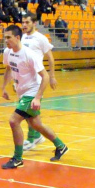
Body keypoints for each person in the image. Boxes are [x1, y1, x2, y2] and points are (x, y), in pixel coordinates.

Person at [0, 25, 68, 169]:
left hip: (32, 92)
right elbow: (8, 69)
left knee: (13, 121)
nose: (5, 40)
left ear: (17, 38)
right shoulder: (7, 52)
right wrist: (4, 87)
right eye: (5, 37)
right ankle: (60, 146)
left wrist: (37, 98)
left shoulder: (30, 54)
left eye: (8, 37)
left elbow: (45, 77)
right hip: (22, 92)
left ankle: (17, 158)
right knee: (36, 124)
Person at [20, 12, 58, 151]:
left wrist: (52, 76)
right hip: (24, 80)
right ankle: (36, 136)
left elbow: (50, 58)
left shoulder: (41, 38)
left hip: (37, 80)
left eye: (27, 22)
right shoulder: (22, 37)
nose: (24, 25)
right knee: (29, 111)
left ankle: (32, 138)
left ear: (34, 23)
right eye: (23, 22)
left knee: (27, 110)